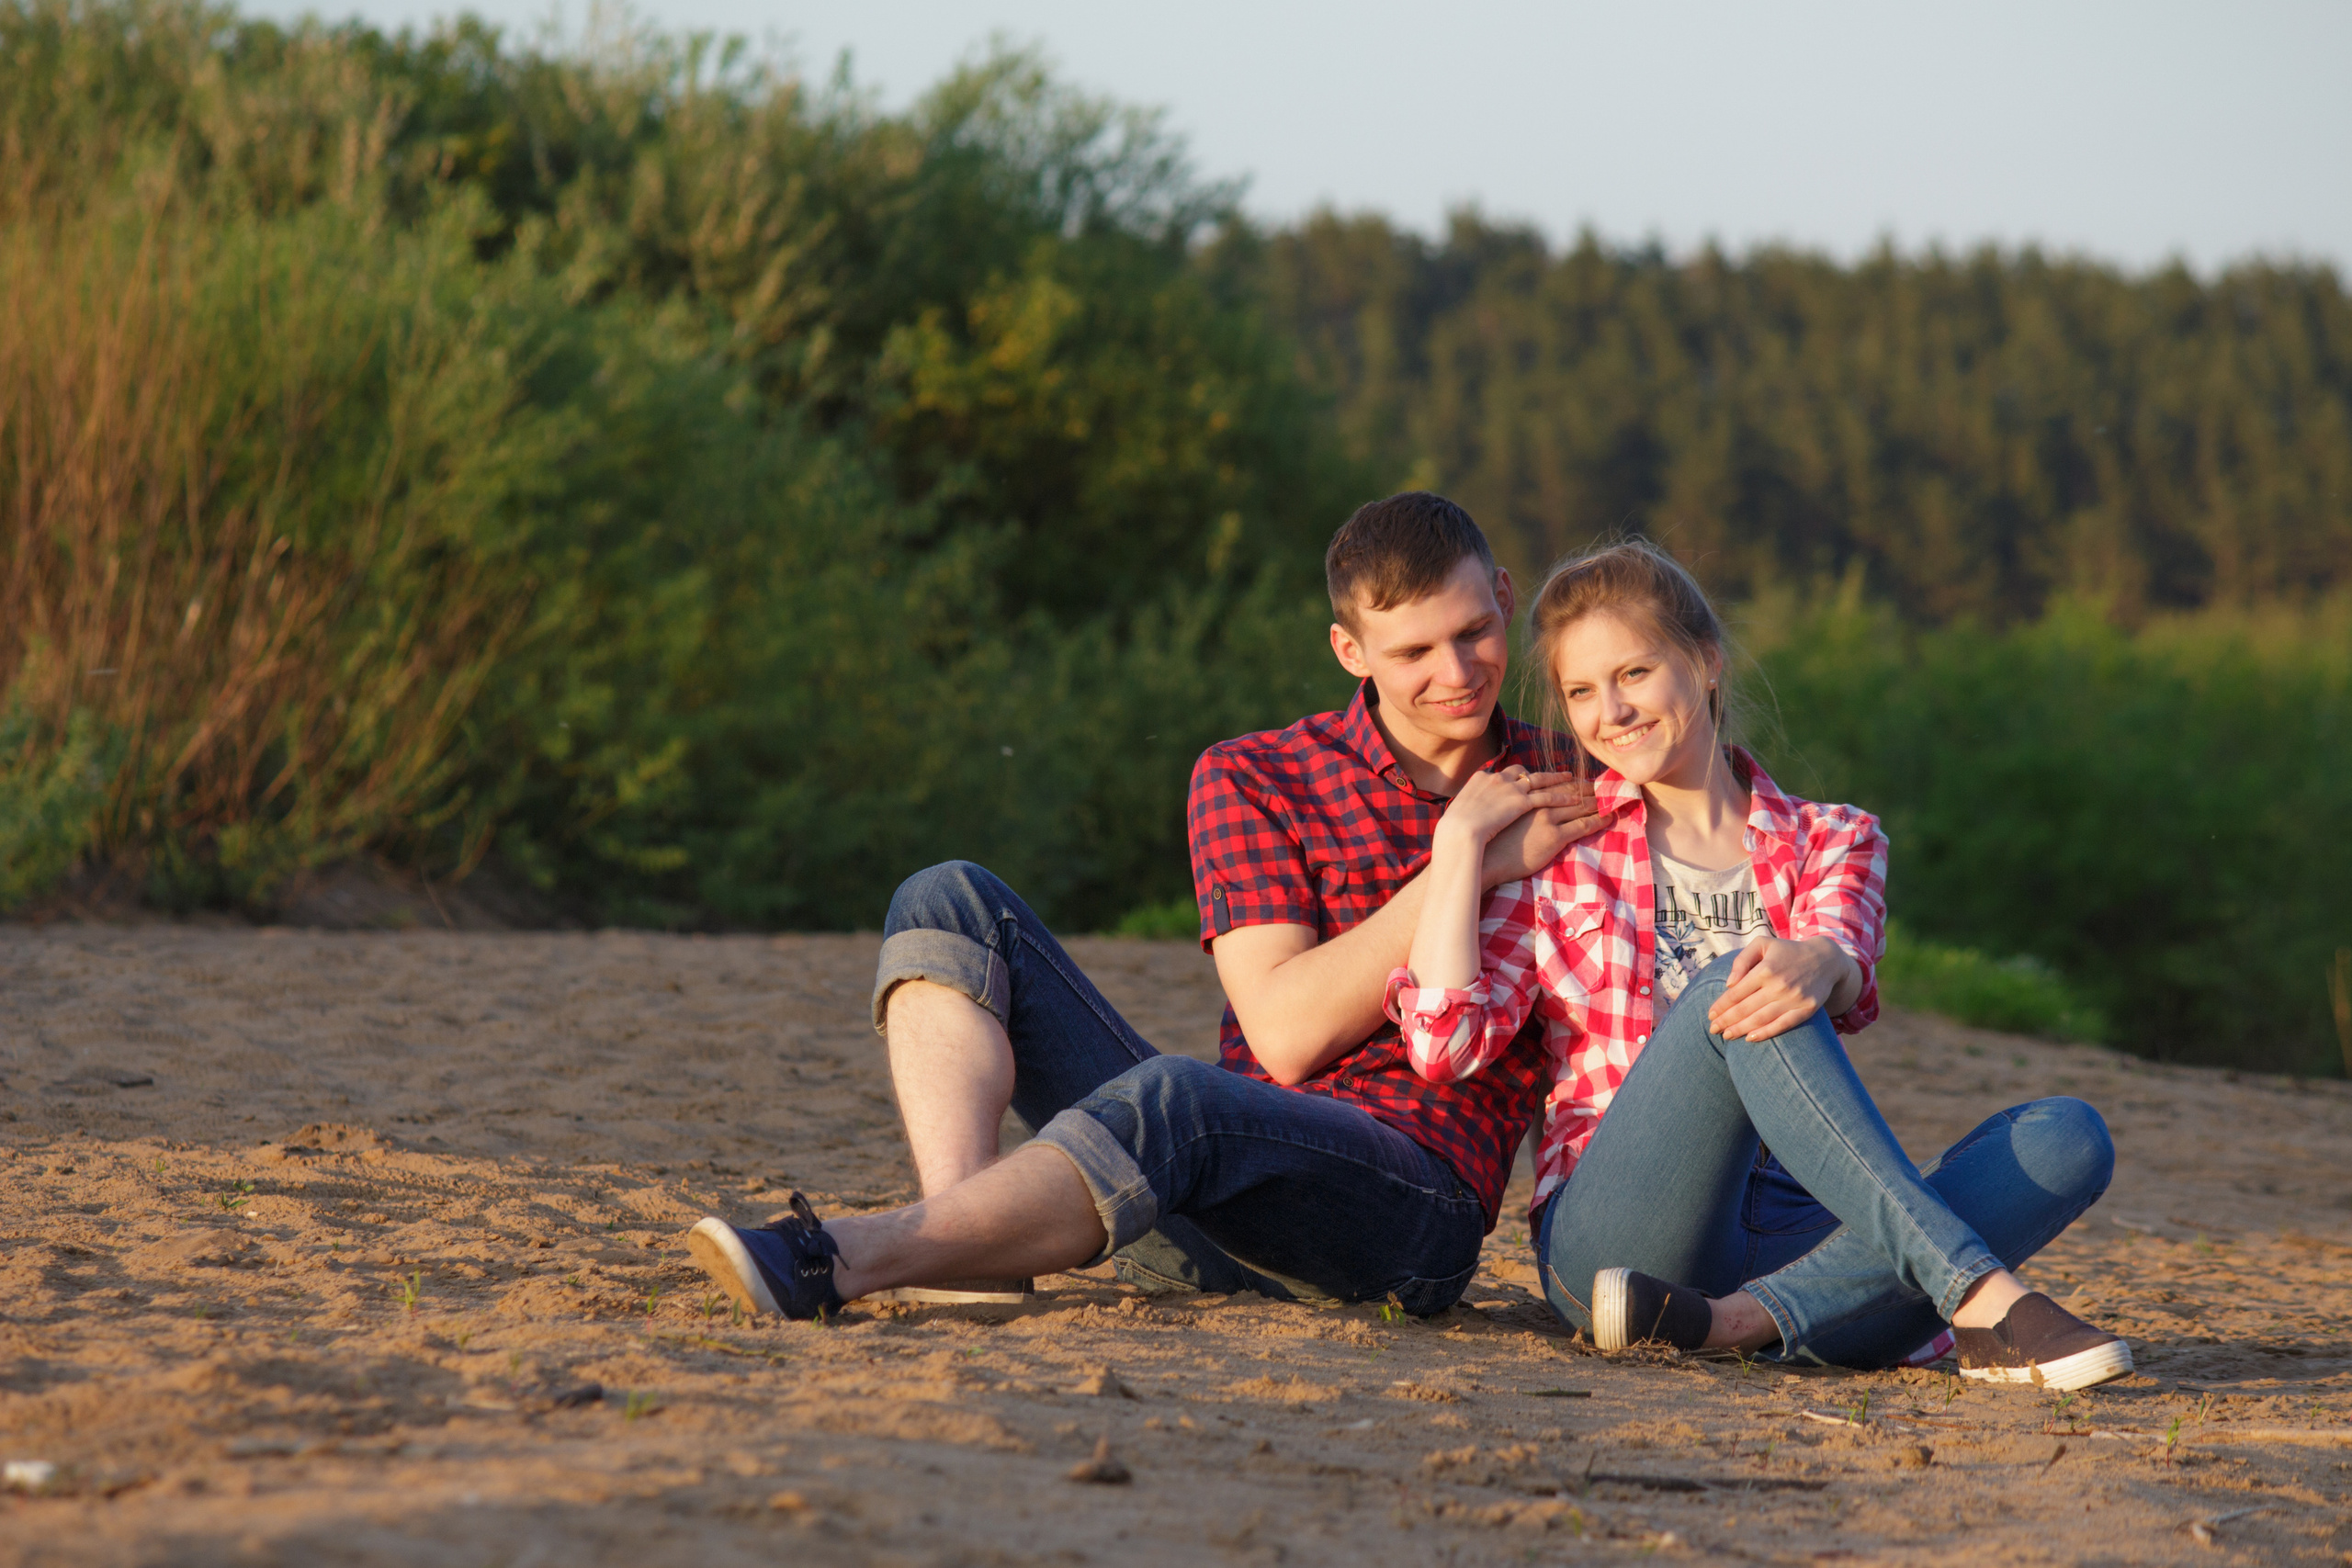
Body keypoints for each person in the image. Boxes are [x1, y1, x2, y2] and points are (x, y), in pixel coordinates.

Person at [681, 493, 1601, 1319]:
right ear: (1349, 651)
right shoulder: (1257, 776)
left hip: (1406, 1216)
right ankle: (970, 1252)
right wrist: (1463, 862)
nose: (1457, 671)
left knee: (1187, 1099)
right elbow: (1283, 1034)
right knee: (950, 899)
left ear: (1508, 598)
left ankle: (842, 1256)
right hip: (1194, 1193)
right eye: (1413, 651)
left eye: (1474, 632)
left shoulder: (1573, 783)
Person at [1385, 540, 2132, 1391]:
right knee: (1731, 989)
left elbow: (1843, 963)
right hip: (1619, 1232)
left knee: (2066, 1139)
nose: (1610, 713)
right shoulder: (1562, 849)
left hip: (1792, 1225)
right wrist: (1459, 849)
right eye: (1581, 691)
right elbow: (1446, 1048)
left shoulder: (1834, 838)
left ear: (1704, 662)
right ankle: (1974, 1293)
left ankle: (1727, 1325)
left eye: (1633, 673)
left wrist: (1820, 961)